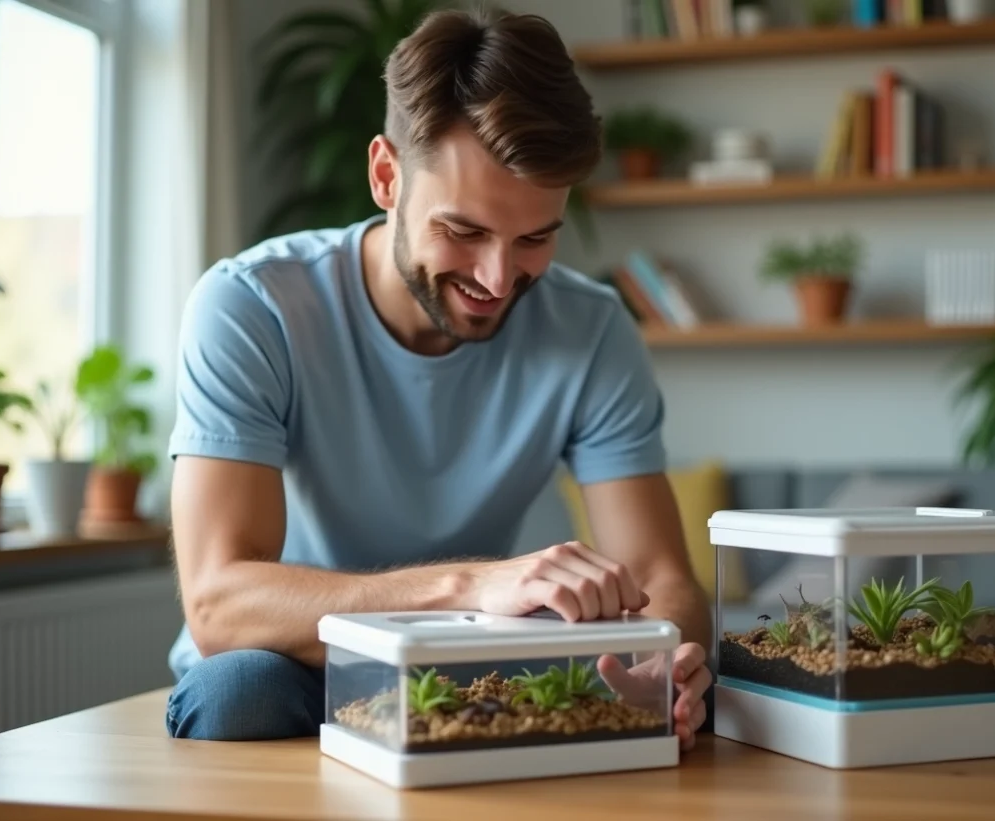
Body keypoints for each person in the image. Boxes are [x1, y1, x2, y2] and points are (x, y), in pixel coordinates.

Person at [164, 7, 712, 748]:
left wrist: (670, 660)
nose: (498, 277)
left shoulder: (594, 329)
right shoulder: (252, 305)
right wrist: (473, 585)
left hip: (474, 657)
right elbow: (221, 603)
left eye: (536, 238)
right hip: (295, 658)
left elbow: (660, 573)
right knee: (237, 692)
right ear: (387, 175)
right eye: (465, 231)